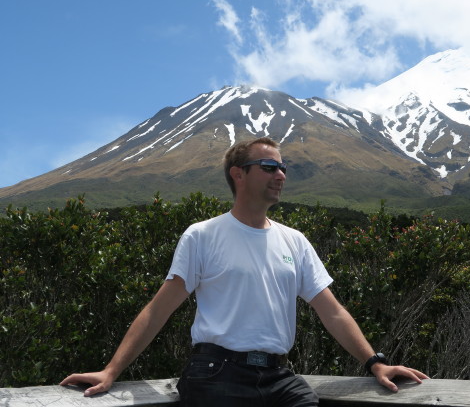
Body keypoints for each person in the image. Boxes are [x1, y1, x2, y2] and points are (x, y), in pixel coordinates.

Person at [60, 136, 428, 406]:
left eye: (283, 168)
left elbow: (331, 311)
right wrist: (111, 371)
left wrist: (376, 363)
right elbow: (159, 309)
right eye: (269, 167)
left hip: (279, 377)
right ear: (238, 174)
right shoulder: (203, 235)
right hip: (216, 373)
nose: (280, 174)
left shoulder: (294, 241)